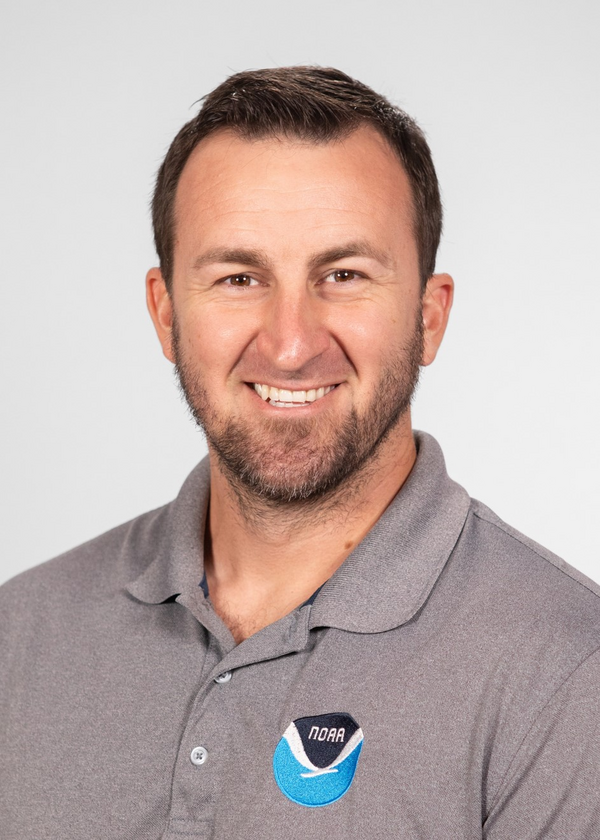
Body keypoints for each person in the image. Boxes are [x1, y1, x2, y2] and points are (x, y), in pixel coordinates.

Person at [1, 66, 599, 839]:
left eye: (343, 275)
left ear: (429, 316)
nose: (291, 345)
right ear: (165, 314)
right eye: (239, 277)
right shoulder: (21, 634)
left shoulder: (569, 672)